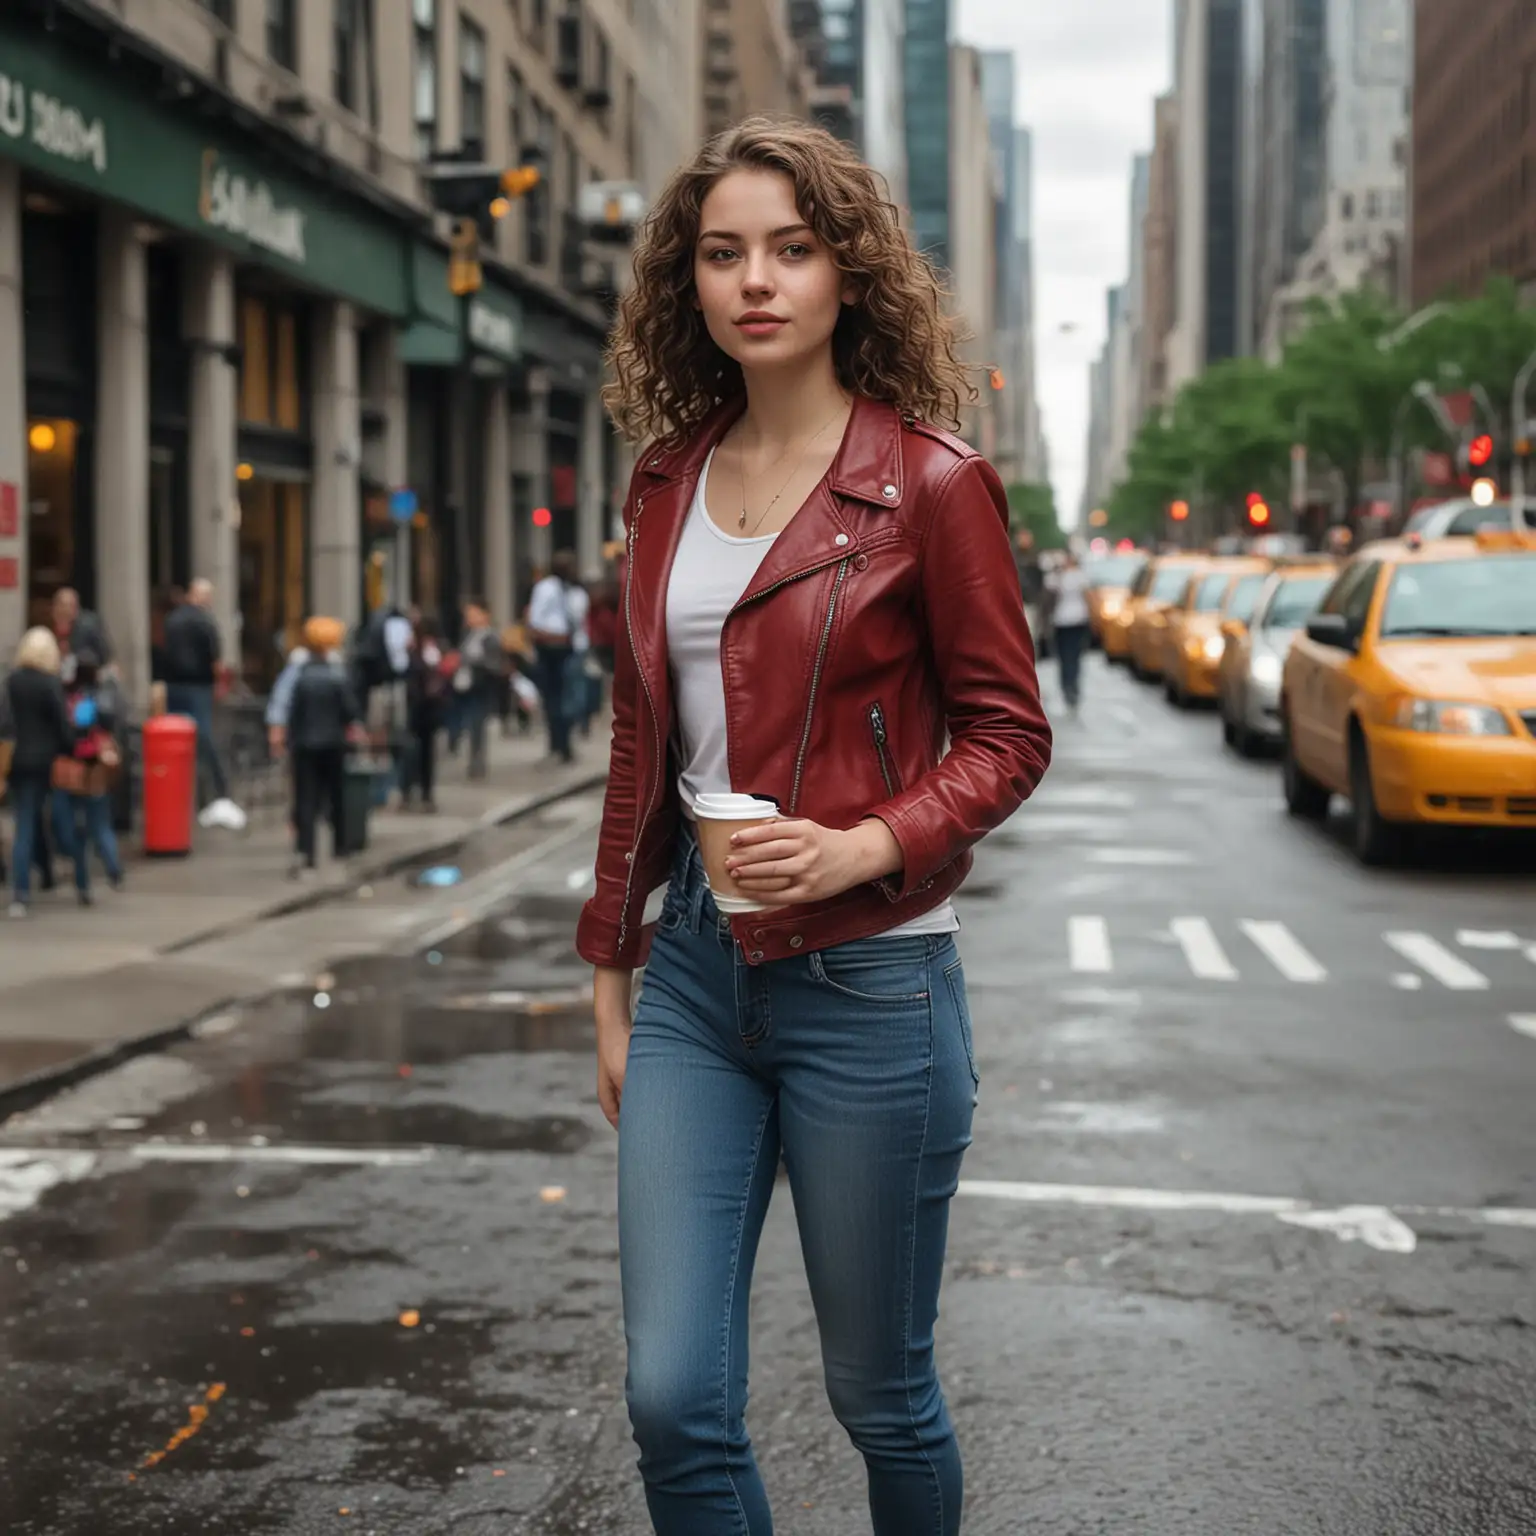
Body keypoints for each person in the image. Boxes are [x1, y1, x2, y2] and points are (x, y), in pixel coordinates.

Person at [577, 117, 1051, 1533]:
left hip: (877, 982)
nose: (756, 281)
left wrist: (864, 845)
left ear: (849, 275)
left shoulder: (933, 482)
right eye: (722, 254)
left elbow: (1011, 735)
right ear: (690, 284)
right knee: (673, 1399)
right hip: (694, 988)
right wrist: (613, 968)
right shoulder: (665, 477)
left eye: (791, 249)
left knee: (880, 1399)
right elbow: (640, 741)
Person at [163, 578, 246, 832]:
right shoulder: (204, 622)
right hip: (198, 687)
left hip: (174, 686)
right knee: (205, 739)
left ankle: (181, 793)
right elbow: (216, 661)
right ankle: (219, 791)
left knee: (177, 743)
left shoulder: (173, 620)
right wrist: (221, 685)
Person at [4, 628, 75, 919]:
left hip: (16, 759)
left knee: (27, 817)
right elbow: (61, 722)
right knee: (34, 821)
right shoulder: (49, 684)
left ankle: (42, 874)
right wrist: (69, 748)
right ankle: (22, 889)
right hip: (44, 761)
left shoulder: (11, 681)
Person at [284, 617, 360, 879]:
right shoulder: (337, 676)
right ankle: (340, 846)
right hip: (333, 743)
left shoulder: (302, 676)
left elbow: (293, 712)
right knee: (336, 797)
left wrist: (290, 740)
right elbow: (350, 711)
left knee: (306, 798)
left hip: (305, 744)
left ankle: (307, 852)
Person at [55, 652, 125, 904]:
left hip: (74, 768)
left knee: (78, 832)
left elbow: (74, 732)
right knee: (99, 822)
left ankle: (84, 884)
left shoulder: (75, 699)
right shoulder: (103, 693)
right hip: (96, 768)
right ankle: (113, 867)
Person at [526, 550, 584, 763]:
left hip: (569, 648)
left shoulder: (572, 591)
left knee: (570, 700)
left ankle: (565, 745)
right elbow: (535, 622)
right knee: (554, 701)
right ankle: (556, 746)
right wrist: (556, 637)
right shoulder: (546, 588)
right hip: (551, 650)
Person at [453, 599, 503, 780]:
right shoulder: (468, 635)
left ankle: (478, 762)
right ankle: (472, 760)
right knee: (469, 725)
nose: (470, 618)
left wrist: (478, 662)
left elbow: (495, 665)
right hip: (467, 687)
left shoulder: (490, 637)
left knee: (477, 726)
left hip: (482, 688)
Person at [402, 616, 448, 811]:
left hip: (423, 709)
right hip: (423, 708)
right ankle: (417, 792)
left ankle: (419, 793)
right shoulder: (423, 651)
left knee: (421, 752)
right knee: (420, 752)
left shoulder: (426, 652)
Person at [1045, 546, 1093, 714]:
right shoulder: (1062, 576)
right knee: (1069, 657)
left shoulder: (1077, 576)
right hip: (1064, 621)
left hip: (1073, 621)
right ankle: (1069, 686)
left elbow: (1088, 597)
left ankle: (1070, 686)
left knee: (1069, 656)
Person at [51, 586, 113, 688]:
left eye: (68, 606)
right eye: (61, 606)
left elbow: (104, 655)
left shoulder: (89, 627)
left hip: (84, 685)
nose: (64, 610)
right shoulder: (53, 630)